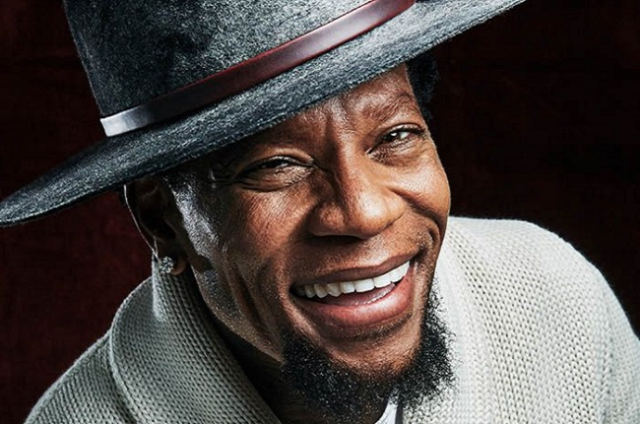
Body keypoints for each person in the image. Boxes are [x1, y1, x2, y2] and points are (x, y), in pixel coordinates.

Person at [1, 1, 638, 423]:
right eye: (277, 165)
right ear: (164, 222)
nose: (363, 213)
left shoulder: (559, 301)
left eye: (396, 136)